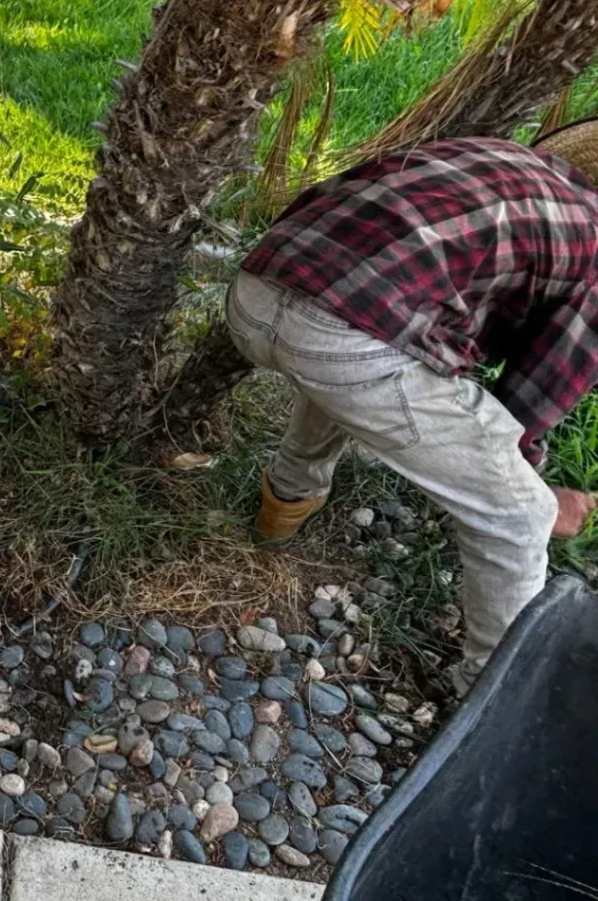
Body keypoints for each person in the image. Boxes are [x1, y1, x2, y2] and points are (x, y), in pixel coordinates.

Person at [228, 121, 598, 695]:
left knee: (368, 349)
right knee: (518, 516)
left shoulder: (503, 160)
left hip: (254, 291)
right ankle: (489, 700)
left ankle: (285, 503)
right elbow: (529, 401)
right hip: (340, 341)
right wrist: (542, 497)